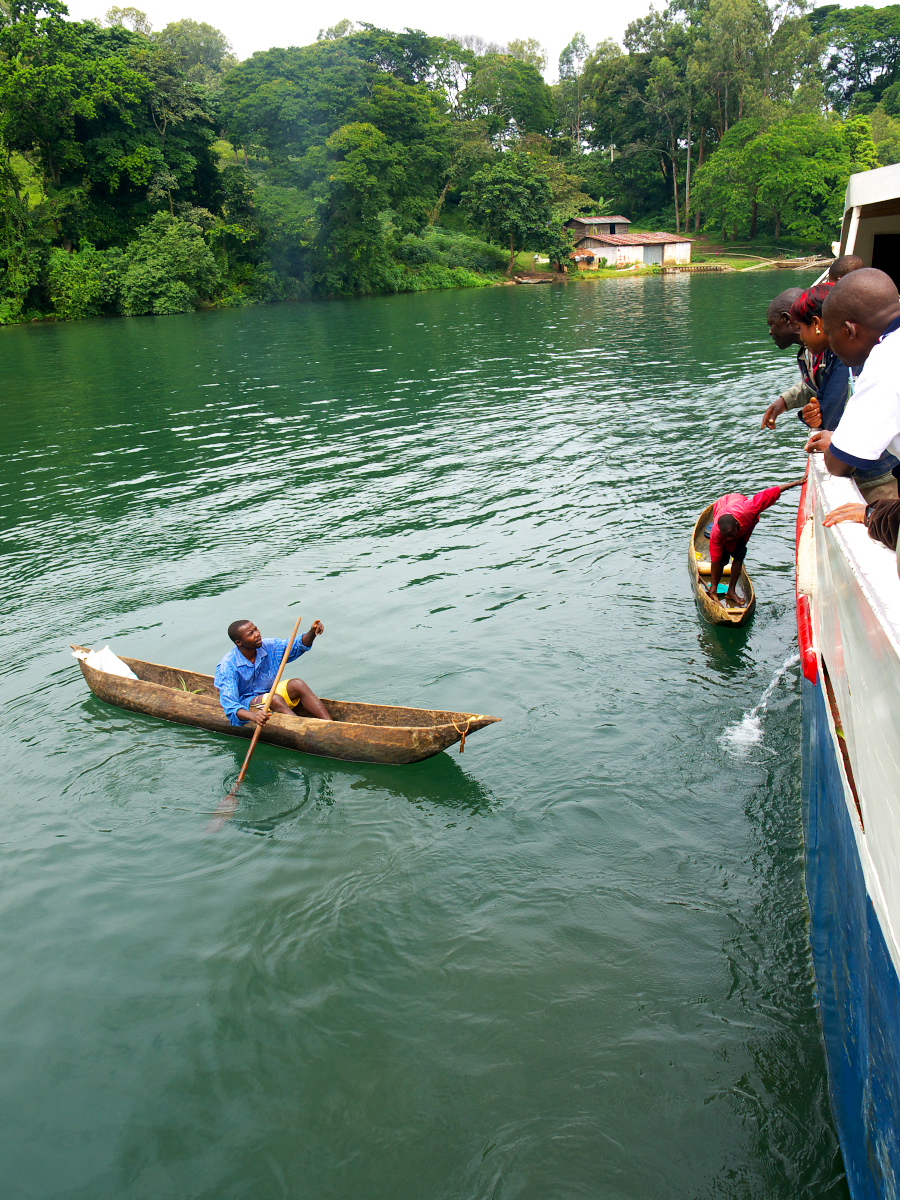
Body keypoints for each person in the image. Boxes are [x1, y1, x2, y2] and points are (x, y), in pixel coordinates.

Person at [805, 268, 900, 505]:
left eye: (830, 334)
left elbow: (840, 463)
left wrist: (836, 444)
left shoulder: (885, 363)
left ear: (849, 331)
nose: (830, 345)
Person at [215, 619, 332, 728]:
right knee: (274, 699)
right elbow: (230, 706)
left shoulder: (269, 646)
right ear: (239, 642)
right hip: (246, 704)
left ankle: (330, 725)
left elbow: (297, 646)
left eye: (256, 629)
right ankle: (301, 729)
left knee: (297, 684)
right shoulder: (228, 666)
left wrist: (312, 632)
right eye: (251, 634)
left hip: (268, 694)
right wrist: (254, 716)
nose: (257, 634)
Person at [706, 480, 805, 607]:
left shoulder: (750, 508)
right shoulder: (717, 533)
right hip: (722, 506)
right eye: (727, 536)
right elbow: (715, 559)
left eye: (731, 535)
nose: (729, 539)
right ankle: (715, 586)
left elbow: (771, 493)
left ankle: (731, 591)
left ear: (737, 525)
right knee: (722, 560)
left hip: (736, 503)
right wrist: (713, 586)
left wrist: (797, 482)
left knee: (739, 555)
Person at [761, 287, 816, 430]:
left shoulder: (829, 352)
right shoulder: (808, 352)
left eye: (771, 324)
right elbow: (816, 384)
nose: (770, 331)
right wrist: (785, 401)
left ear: (786, 319)